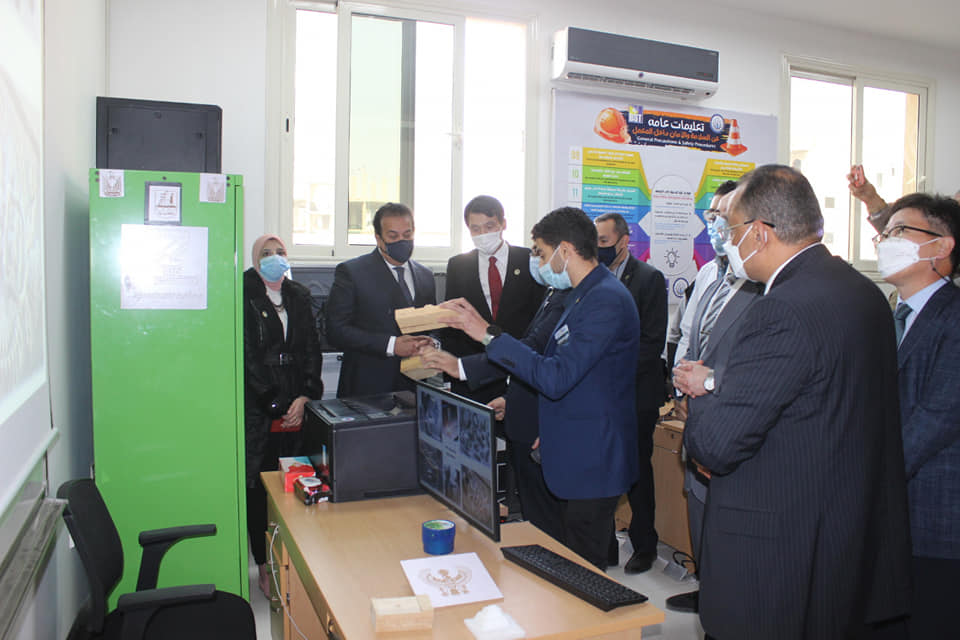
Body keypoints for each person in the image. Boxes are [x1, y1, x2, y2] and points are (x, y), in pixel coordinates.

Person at [675, 165, 911, 640]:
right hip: (842, 531)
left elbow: (717, 444)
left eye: (732, 230)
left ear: (760, 233)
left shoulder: (781, 309)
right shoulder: (862, 292)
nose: (729, 241)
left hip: (777, 548)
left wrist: (701, 396)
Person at [441, 207, 640, 570]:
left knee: (584, 569)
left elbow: (556, 376)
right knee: (561, 557)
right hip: (571, 444)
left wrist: (488, 335)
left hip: (594, 456)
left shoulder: (605, 299)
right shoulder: (580, 294)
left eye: (542, 254)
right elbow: (562, 368)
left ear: (565, 250)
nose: (540, 263)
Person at [667, 182, 763, 615]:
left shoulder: (764, 284)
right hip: (696, 411)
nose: (716, 224)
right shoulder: (711, 273)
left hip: (731, 419)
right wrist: (681, 389)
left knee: (731, 533)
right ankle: (709, 589)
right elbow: (690, 334)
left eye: (724, 216)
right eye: (712, 215)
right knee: (700, 512)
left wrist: (709, 384)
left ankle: (725, 600)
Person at [420, 285, 569, 543]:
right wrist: (511, 400)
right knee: (536, 520)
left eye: (542, 259)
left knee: (553, 528)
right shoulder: (554, 291)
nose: (540, 265)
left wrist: (464, 364)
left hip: (545, 429)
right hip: (524, 419)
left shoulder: (577, 298)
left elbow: (537, 355)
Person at [873, 192, 960, 638]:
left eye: (900, 231)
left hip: (936, 520)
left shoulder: (954, 317)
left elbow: (936, 419)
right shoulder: (893, 314)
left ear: (941, 246)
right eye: (885, 234)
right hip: (892, 517)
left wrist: (866, 477)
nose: (886, 242)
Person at [243, 234, 323, 597]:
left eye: (280, 252)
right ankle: (265, 564)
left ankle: (294, 560)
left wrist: (304, 397)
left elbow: (311, 350)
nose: (275, 258)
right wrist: (274, 404)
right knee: (260, 488)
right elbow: (246, 357)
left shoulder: (299, 295)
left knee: (297, 483)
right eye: (266, 253)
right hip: (259, 408)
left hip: (298, 402)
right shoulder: (244, 295)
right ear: (255, 259)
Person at [594, 212, 667, 574]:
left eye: (604, 242)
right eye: (594, 242)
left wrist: (609, 371)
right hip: (600, 395)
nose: (598, 249)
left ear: (624, 241)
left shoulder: (649, 279)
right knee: (603, 468)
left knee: (636, 471)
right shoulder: (591, 278)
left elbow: (651, 343)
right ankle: (605, 545)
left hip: (636, 394)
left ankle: (644, 545)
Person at [325, 203, 436, 397]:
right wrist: (391, 345)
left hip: (414, 386)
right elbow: (336, 330)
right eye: (393, 236)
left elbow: (432, 325)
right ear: (378, 238)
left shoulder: (425, 275)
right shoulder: (352, 272)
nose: (402, 241)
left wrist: (432, 342)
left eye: (407, 235)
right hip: (367, 387)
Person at [443, 195, 544, 402]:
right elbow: (452, 325)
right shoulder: (458, 265)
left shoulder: (529, 260)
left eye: (489, 226)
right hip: (474, 371)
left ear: (503, 224)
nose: (483, 234)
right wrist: (451, 377)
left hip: (520, 368)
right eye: (476, 229)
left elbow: (539, 319)